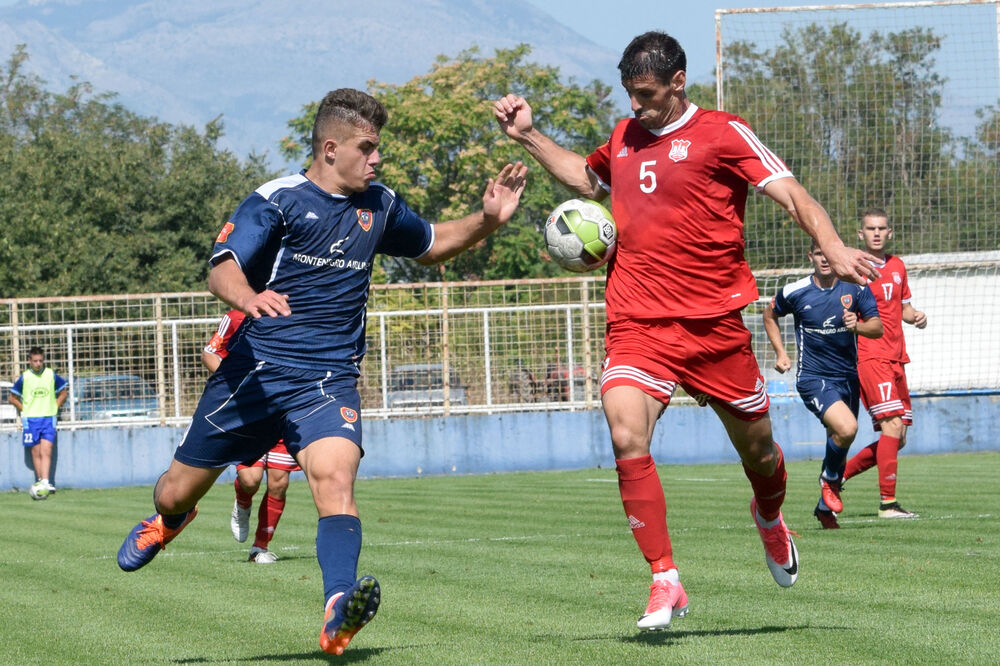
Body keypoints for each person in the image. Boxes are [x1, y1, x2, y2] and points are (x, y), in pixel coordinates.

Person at [116, 88, 527, 656]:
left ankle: (337, 609)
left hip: (328, 378)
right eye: (368, 147)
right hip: (253, 374)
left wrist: (488, 219)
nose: (377, 159)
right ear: (331, 148)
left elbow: (432, 244)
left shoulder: (378, 205)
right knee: (173, 491)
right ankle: (169, 520)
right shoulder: (278, 200)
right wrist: (249, 296)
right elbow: (221, 268)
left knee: (335, 484)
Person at [494, 31, 878, 631]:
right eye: (629, 94)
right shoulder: (624, 137)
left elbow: (792, 193)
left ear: (678, 82)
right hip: (638, 319)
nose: (635, 106)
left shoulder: (723, 133)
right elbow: (584, 177)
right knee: (625, 433)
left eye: (646, 94)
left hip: (716, 327)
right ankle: (664, 578)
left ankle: (771, 520)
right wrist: (527, 137)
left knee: (760, 457)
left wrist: (831, 243)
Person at [763, 241, 883, 529]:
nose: (825, 259)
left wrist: (857, 325)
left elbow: (877, 328)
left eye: (829, 254)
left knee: (839, 441)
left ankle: (823, 509)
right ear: (811, 256)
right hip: (813, 378)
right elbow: (770, 315)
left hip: (847, 378)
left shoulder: (855, 287)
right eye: (819, 254)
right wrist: (781, 352)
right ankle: (829, 482)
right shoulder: (795, 291)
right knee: (847, 428)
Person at [842, 208, 927, 518]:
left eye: (881, 228)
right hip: (870, 355)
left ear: (890, 233)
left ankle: (836, 476)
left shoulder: (898, 266)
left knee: (898, 436)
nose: (876, 233)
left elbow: (903, 309)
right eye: (870, 228)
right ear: (860, 234)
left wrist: (916, 316)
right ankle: (888, 505)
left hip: (897, 358)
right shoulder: (854, 270)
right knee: (892, 426)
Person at [202, 309, 301, 563]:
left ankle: (260, 547)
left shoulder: (293, 314)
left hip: (282, 410)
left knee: (279, 482)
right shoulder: (237, 314)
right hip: (247, 412)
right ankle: (242, 502)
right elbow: (210, 352)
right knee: (250, 479)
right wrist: (237, 385)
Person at [9, 346, 68, 499]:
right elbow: (12, 398)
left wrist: (56, 406)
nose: (38, 363)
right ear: (29, 361)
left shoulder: (50, 374)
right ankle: (40, 481)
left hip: (48, 418)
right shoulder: (25, 377)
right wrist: (24, 409)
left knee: (46, 450)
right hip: (31, 420)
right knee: (36, 451)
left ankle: (47, 482)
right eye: (35, 361)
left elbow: (63, 391)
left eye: (40, 360)